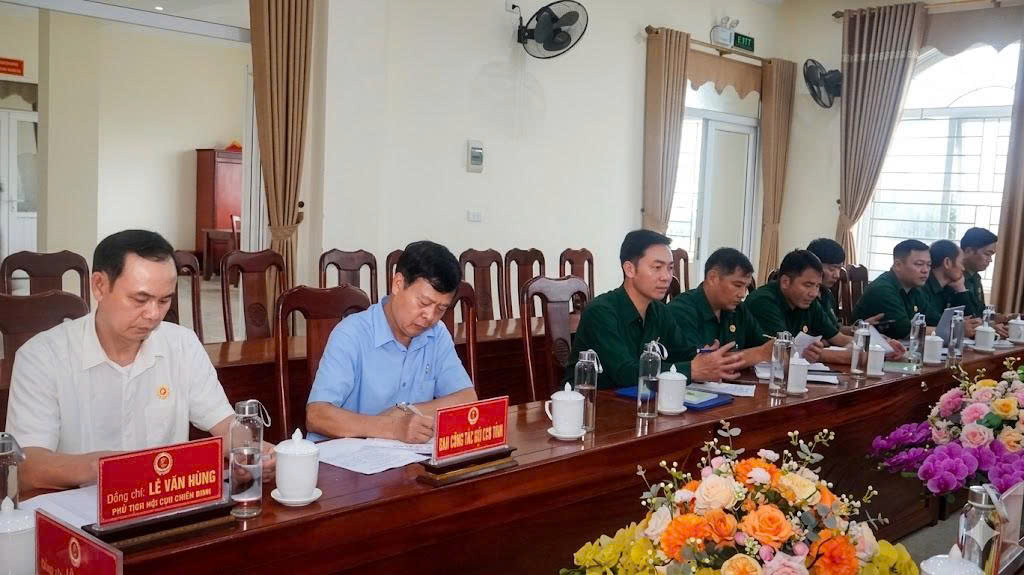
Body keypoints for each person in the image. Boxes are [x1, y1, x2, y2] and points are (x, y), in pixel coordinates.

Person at [5, 230, 275, 491]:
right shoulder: (42, 357)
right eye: (140, 299)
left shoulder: (182, 344)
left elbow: (224, 424)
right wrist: (106, 468)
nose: (153, 314)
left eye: (164, 300)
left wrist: (252, 450)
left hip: (165, 504)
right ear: (99, 286)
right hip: (77, 509)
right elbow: (27, 466)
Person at [306, 241, 477, 443]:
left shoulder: (436, 335)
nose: (430, 316)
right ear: (398, 284)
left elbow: (467, 399)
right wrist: (393, 427)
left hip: (405, 458)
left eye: (441, 309)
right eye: (423, 303)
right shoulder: (352, 334)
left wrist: (406, 411)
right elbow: (317, 415)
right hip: (344, 458)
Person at [566, 230, 743, 388]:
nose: (666, 277)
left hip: (643, 403)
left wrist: (706, 357)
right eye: (657, 267)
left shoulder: (660, 311)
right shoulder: (600, 312)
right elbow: (624, 372)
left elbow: (683, 352)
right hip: (596, 406)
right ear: (630, 269)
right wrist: (692, 370)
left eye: (670, 268)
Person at [667, 248, 772, 369]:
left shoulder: (739, 309)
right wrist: (759, 354)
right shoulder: (681, 310)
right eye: (737, 285)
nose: (742, 294)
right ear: (713, 278)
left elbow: (765, 345)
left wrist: (767, 351)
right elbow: (703, 364)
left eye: (746, 287)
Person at [746, 250, 845, 364]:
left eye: (817, 286)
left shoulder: (808, 301)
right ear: (785, 282)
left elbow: (837, 338)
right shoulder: (763, 301)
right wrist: (825, 355)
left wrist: (859, 348)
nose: (813, 293)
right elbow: (782, 352)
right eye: (808, 285)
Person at [853, 239, 931, 339]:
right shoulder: (882, 289)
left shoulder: (914, 288)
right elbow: (905, 331)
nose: (925, 270)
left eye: (929, 265)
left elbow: (933, 319)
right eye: (919, 264)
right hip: (868, 346)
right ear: (898, 265)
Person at [806, 238, 884, 333]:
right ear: (814, 265)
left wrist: (861, 328)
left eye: (839, 268)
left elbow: (835, 330)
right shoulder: (805, 297)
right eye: (832, 269)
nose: (837, 275)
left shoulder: (827, 293)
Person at [960, 227, 1010, 336]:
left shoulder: (976, 277)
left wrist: (1003, 318)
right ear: (968, 251)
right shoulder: (955, 277)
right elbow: (966, 317)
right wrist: (989, 326)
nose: (990, 260)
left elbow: (979, 312)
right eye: (987, 254)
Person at [921, 240, 973, 327]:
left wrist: (961, 289)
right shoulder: (922, 287)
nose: (963, 269)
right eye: (961, 263)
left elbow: (970, 319)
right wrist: (958, 324)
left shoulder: (950, 288)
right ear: (947, 263)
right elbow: (934, 321)